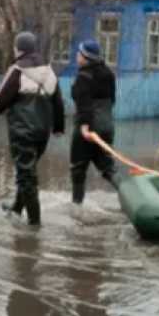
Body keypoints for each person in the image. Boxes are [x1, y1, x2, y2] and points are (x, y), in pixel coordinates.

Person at [0, 31, 65, 226]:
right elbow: (58, 102)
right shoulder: (49, 72)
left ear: (19, 49)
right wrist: (58, 127)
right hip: (41, 133)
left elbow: (1, 98)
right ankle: (17, 209)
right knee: (27, 171)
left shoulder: (17, 70)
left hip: (22, 131)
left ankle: (35, 225)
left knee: (26, 176)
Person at [69, 39, 118, 204]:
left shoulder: (83, 77)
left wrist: (84, 127)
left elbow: (84, 105)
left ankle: (77, 206)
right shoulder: (109, 74)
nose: (77, 55)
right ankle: (130, 194)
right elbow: (112, 100)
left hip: (88, 129)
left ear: (86, 57)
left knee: (78, 169)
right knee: (108, 168)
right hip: (107, 127)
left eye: (79, 53)